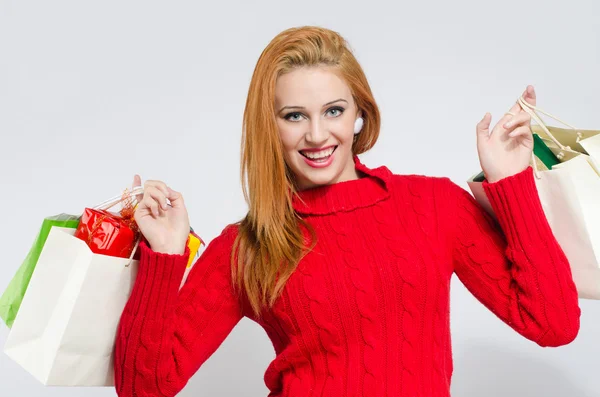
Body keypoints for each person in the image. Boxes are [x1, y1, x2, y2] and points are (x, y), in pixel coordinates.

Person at [113, 26, 581, 397]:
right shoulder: (248, 246)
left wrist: (510, 183)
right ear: (268, 125)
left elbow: (553, 323)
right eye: (294, 116)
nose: (317, 135)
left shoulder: (432, 206)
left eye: (333, 111)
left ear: (359, 111)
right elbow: (144, 389)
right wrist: (165, 256)